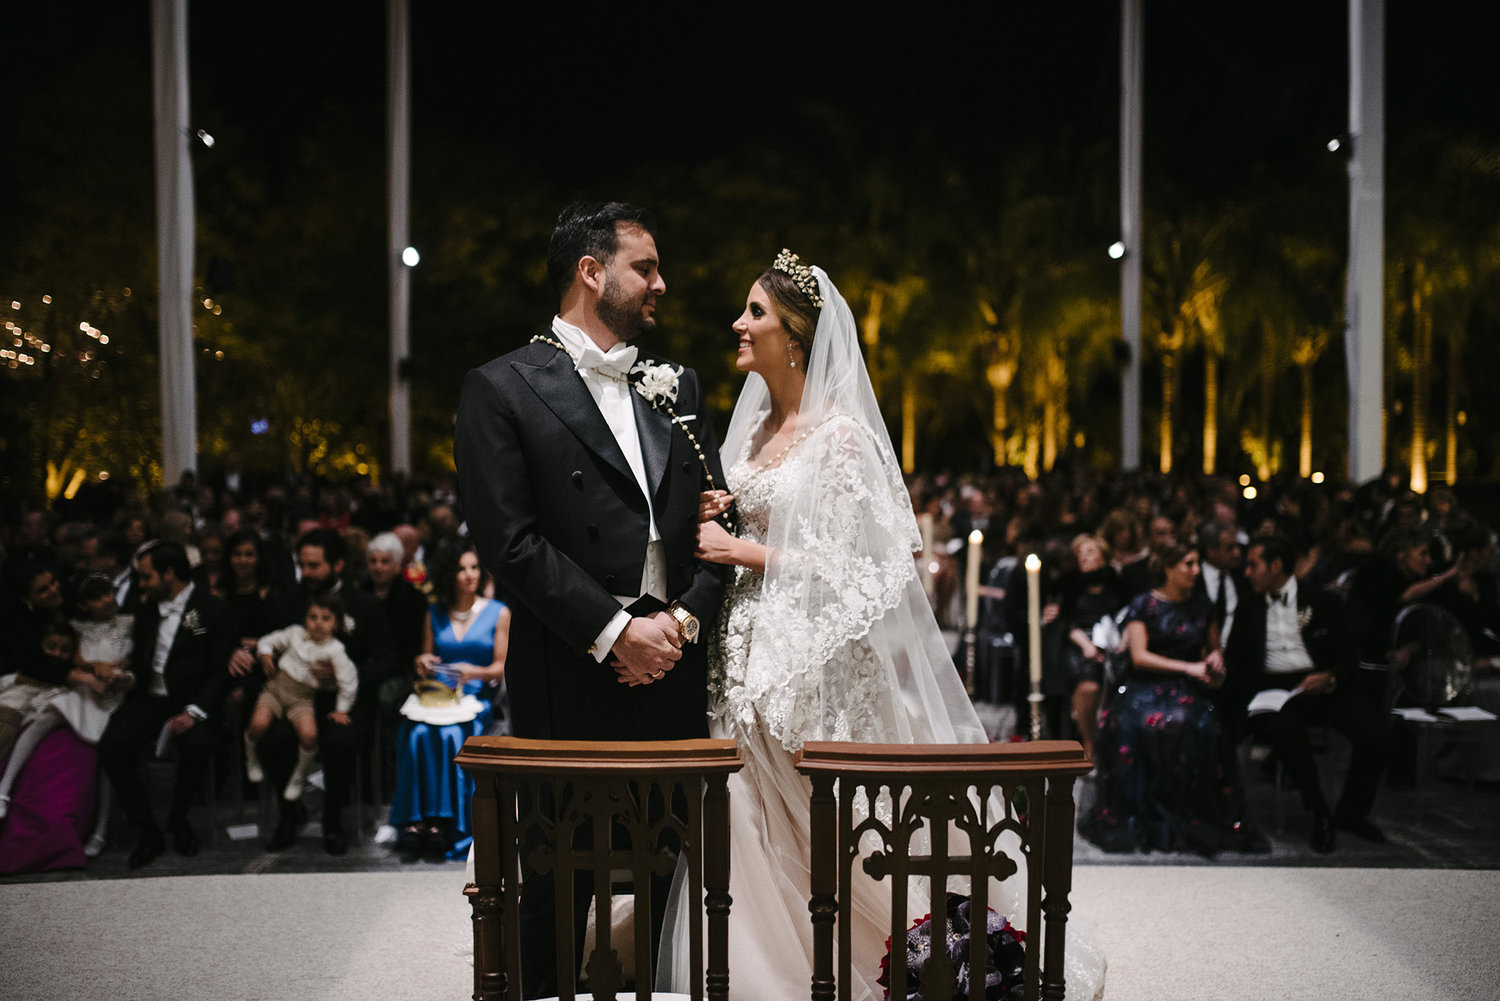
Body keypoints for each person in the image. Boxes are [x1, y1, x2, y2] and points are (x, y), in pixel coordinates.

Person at [673, 252, 1105, 1001]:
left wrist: (746, 548)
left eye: (755, 313)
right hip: (738, 656)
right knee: (743, 818)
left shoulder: (841, 438)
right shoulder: (746, 436)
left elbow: (872, 565)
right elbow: (764, 516)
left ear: (796, 337)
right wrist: (721, 513)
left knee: (838, 833)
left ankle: (925, 954)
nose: (738, 325)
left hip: (811, 664)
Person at [454, 202, 731, 996]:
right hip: (569, 669)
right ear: (590, 271)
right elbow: (511, 544)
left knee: (673, 884)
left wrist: (679, 622)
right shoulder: (500, 387)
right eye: (645, 267)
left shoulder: (676, 384)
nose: (660, 283)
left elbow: (719, 524)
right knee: (554, 884)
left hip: (674, 667)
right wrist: (616, 632)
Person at [1079, 539, 1262, 856]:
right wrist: (1189, 668)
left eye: (1196, 564)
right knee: (1133, 724)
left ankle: (1187, 813)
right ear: (1167, 568)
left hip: (1188, 688)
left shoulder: (1204, 607)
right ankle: (1142, 815)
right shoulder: (1143, 604)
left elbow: (1212, 652)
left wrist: (1215, 664)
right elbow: (1139, 656)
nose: (1195, 571)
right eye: (1187, 564)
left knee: (1194, 723)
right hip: (1144, 684)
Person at [237, 528, 393, 855]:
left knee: (340, 741)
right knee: (272, 737)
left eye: (314, 566)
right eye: (302, 565)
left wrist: (341, 674)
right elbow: (271, 644)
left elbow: (387, 662)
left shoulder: (364, 605)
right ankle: (289, 811)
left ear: (337, 565)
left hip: (343, 700)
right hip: (292, 694)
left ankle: (333, 819)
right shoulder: (286, 601)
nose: (305, 573)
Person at [1230, 535, 1387, 853]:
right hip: (1274, 688)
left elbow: (1349, 658)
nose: (1247, 573)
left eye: (1253, 565)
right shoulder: (1248, 606)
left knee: (1377, 733)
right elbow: (1237, 660)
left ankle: (1352, 812)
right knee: (1284, 730)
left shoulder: (1324, 602)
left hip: (1322, 684)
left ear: (1276, 566)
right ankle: (1319, 812)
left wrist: (1329, 676)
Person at [98, 540, 235, 868]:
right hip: (150, 699)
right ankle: (146, 829)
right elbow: (143, 665)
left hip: (192, 702)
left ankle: (179, 818)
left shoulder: (213, 609)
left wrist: (193, 712)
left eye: (146, 577)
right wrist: (126, 679)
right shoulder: (146, 607)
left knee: (197, 745)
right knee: (113, 745)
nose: (141, 585)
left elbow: (219, 673)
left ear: (170, 574)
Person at [389, 537, 509, 860]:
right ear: (448, 574)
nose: (470, 575)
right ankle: (418, 822)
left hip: (477, 698)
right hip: (441, 698)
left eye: (474, 568)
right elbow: (427, 656)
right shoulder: (435, 613)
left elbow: (501, 665)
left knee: (454, 735)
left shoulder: (499, 613)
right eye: (461, 569)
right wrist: (422, 662)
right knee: (416, 733)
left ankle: (450, 823)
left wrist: (476, 672)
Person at [0, 575, 132, 857]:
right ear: (84, 605)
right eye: (97, 597)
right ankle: (3, 789)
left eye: (108, 593)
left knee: (108, 752)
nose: (107, 600)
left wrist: (121, 673)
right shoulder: (75, 628)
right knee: (44, 717)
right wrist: (90, 672)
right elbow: (74, 662)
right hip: (81, 693)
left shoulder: (129, 623)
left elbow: (133, 659)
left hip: (113, 699)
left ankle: (101, 830)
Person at [245, 595, 359, 802]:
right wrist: (265, 654)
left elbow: (348, 679)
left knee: (309, 735)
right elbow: (270, 639)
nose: (317, 623)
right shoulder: (295, 634)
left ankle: (299, 775)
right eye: (313, 617)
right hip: (276, 689)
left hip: (302, 698)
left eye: (326, 618)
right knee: (258, 724)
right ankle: (251, 755)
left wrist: (342, 709)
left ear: (336, 623)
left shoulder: (335, 649)